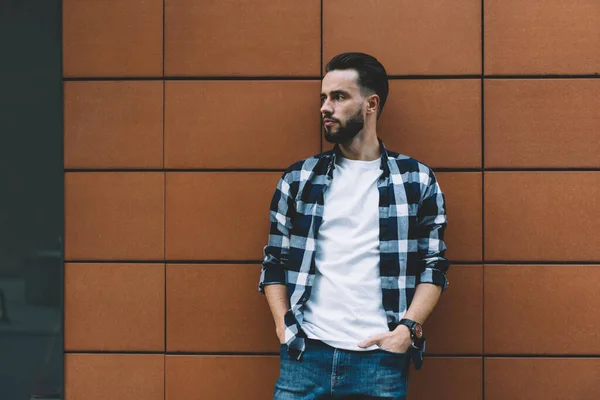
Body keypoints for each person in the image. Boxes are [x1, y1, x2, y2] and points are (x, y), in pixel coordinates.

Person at [258, 52, 450, 400]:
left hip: (380, 360)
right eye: (323, 98)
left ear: (371, 103)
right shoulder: (300, 179)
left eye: (339, 97)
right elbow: (274, 261)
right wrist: (283, 325)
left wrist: (406, 330)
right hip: (305, 352)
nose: (325, 108)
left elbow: (434, 267)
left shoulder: (416, 180)